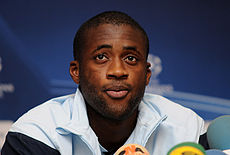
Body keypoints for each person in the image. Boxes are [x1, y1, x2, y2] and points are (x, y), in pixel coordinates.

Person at [1, 11, 209, 155]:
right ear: (77, 72)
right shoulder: (36, 135)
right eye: (101, 57)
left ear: (147, 75)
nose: (118, 71)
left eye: (130, 59)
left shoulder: (186, 129)